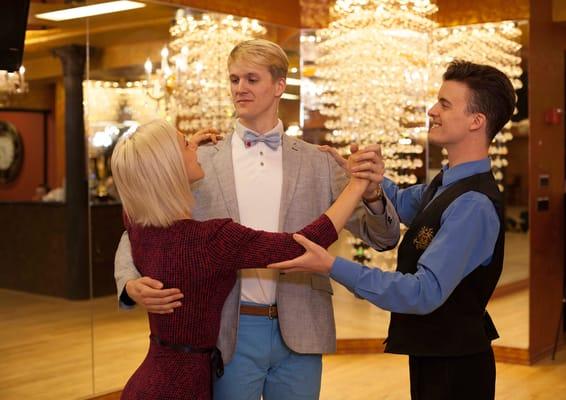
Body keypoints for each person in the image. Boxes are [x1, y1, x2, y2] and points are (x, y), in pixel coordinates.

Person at [114, 39, 400, 400]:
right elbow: (143, 225)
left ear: (280, 85)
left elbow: (384, 238)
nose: (239, 89)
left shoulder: (321, 161)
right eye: (234, 80)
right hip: (228, 330)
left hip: (303, 323)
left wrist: (372, 193)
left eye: (251, 79)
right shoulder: (201, 162)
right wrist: (129, 282)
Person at [269, 60, 517, 400]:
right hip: (436, 355)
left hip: (456, 368)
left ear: (477, 121)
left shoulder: (473, 204)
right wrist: (364, 175)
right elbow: (398, 201)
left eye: (445, 104)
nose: (432, 111)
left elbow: (422, 292)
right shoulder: (445, 184)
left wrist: (331, 265)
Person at [112, 119, 371, 399]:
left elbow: (137, 213)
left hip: (151, 382)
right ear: (169, 167)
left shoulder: (140, 224)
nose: (196, 148)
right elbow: (298, 246)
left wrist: (177, 152)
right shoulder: (213, 239)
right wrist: (356, 185)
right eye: (186, 144)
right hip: (184, 386)